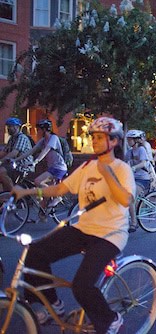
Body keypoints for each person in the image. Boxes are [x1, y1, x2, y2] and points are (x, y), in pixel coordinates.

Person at [11, 117, 134, 334]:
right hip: (84, 228)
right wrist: (28, 192)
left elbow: (126, 200)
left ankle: (111, 319)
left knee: (82, 286)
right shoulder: (88, 166)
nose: (94, 141)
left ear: (113, 141)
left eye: (100, 137)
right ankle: (53, 305)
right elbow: (60, 189)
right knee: (34, 254)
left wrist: (108, 174)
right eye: (93, 137)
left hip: (110, 235)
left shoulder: (121, 168)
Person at [14, 119, 67, 208]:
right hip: (51, 168)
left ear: (44, 129)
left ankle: (57, 196)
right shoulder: (43, 140)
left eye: (38, 129)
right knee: (44, 194)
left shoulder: (53, 138)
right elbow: (31, 151)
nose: (37, 131)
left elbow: (46, 150)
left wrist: (36, 161)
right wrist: (16, 160)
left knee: (38, 181)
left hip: (59, 168)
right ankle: (43, 214)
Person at [0, 117, 34, 191]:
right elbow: (4, 152)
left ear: (17, 127)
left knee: (1, 172)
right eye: (8, 126)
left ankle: (13, 194)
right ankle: (7, 194)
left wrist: (1, 161)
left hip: (23, 165)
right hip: (14, 165)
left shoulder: (22, 137)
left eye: (10, 126)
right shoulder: (12, 139)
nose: (8, 128)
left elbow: (14, 153)